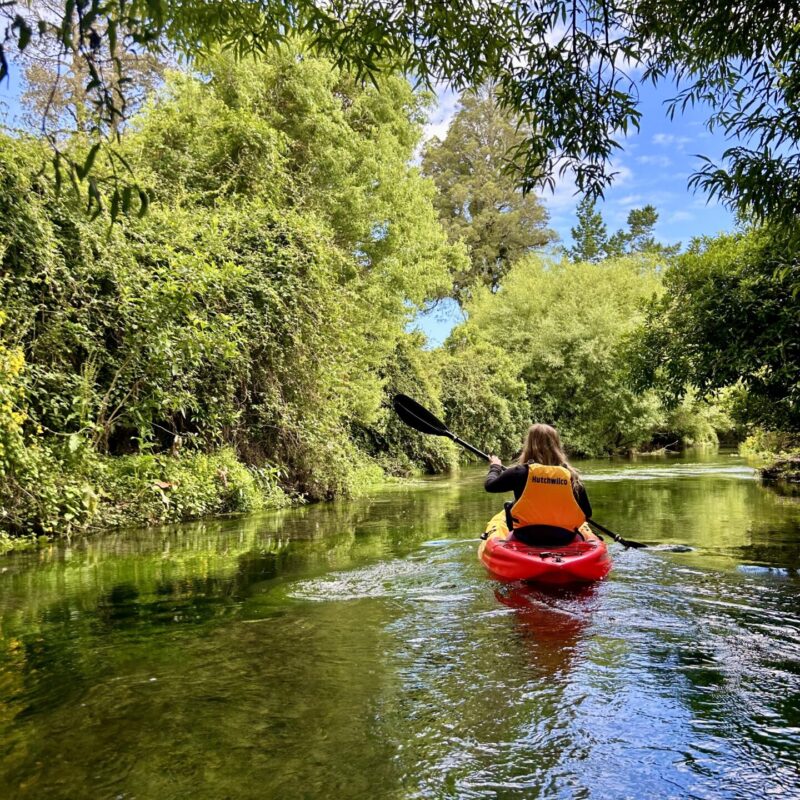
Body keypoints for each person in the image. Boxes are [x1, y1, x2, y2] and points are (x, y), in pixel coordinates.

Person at [485, 423, 592, 546]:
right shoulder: (570, 476)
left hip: (526, 537)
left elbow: (490, 485)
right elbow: (587, 513)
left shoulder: (519, 472)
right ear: (556, 446)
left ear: (529, 445)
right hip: (564, 537)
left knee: (510, 506)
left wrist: (495, 467)